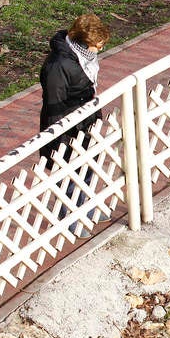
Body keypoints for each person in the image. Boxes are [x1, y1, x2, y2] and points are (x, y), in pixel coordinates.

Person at [39, 14, 111, 238]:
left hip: (86, 119)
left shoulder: (83, 57)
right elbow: (55, 104)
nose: (99, 48)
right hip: (66, 125)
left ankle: (85, 207)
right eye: (97, 44)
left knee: (88, 166)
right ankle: (69, 217)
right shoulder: (58, 65)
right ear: (83, 40)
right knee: (70, 172)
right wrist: (58, 136)